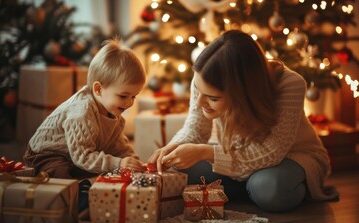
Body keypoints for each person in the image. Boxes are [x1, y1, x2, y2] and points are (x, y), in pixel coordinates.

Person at [148, 30, 339, 212]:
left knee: (269, 187)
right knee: (177, 168)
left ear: (242, 93)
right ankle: (248, 188)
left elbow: (269, 153)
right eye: (198, 91)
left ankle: (254, 188)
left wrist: (204, 152)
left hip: (289, 159)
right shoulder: (205, 76)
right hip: (234, 156)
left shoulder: (290, 84)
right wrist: (173, 148)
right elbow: (195, 128)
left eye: (213, 98)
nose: (200, 102)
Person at [23, 37, 146, 179]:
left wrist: (134, 162)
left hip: (74, 156)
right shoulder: (81, 112)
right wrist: (118, 163)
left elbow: (118, 147)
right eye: (123, 96)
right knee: (64, 179)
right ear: (99, 89)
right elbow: (83, 156)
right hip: (46, 155)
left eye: (134, 97)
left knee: (104, 172)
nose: (129, 103)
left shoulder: (114, 113)